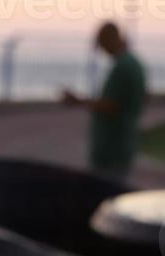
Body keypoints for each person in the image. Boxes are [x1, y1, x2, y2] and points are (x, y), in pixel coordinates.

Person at [62, 22, 147, 180]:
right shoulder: (134, 64)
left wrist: (78, 101)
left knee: (106, 192)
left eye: (101, 43)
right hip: (123, 143)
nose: (102, 49)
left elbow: (110, 105)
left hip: (112, 147)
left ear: (111, 39)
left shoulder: (123, 67)